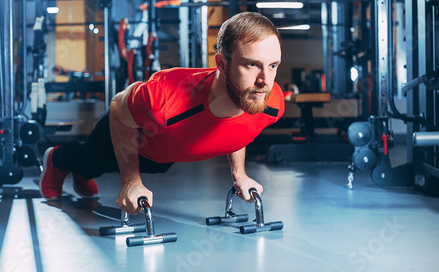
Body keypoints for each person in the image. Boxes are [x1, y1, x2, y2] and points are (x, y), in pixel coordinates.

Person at [39, 11, 284, 215]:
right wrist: (131, 182)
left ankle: (84, 171)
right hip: (134, 135)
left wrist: (239, 175)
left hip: (165, 152)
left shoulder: (268, 101)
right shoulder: (166, 97)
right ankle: (57, 159)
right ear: (221, 64)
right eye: (252, 64)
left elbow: (238, 129)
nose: (265, 80)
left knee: (123, 166)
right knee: (92, 160)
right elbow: (117, 106)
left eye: (273, 66)